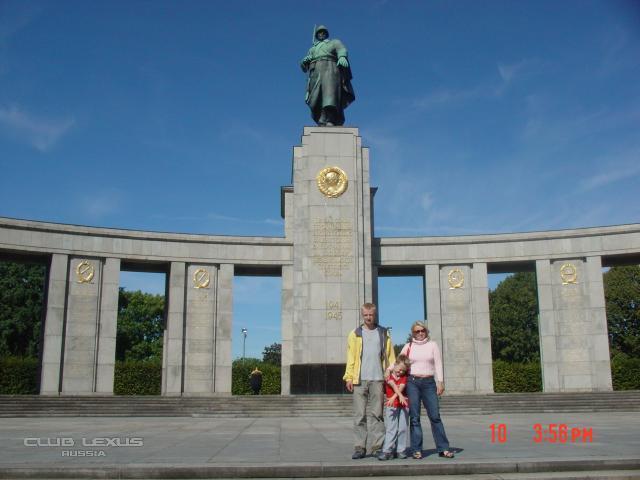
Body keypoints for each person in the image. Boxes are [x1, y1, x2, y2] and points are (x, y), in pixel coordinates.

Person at [343, 303, 396, 459]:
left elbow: (390, 356)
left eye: (370, 315)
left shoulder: (383, 333)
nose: (368, 317)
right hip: (359, 380)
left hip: (378, 379)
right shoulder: (355, 334)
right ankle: (360, 447)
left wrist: (390, 374)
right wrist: (349, 377)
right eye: (365, 315)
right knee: (359, 415)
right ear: (362, 315)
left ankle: (377, 447)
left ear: (375, 315)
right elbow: (351, 357)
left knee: (377, 414)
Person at [400, 321, 455, 459]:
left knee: (435, 416)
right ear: (413, 333)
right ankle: (416, 449)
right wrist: (389, 372)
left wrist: (440, 381)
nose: (420, 333)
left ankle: (443, 448)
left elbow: (438, 364)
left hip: (429, 383)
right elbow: (399, 362)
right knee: (415, 417)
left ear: (426, 331)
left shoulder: (432, 345)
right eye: (417, 331)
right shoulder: (408, 346)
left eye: (422, 330)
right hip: (412, 382)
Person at [300, 25, 355, 126]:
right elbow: (304, 68)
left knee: (329, 95)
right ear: (316, 35)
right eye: (319, 32)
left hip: (330, 69)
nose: (321, 34)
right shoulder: (312, 49)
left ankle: (329, 119)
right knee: (316, 98)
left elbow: (342, 49)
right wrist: (304, 62)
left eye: (323, 32)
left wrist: (342, 56)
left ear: (326, 34)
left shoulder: (333, 42)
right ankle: (321, 117)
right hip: (315, 72)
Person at [378, 354, 412, 461]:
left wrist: (396, 396)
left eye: (403, 371)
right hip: (391, 406)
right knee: (391, 428)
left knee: (402, 428)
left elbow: (401, 387)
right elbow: (392, 385)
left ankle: (400, 450)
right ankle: (387, 450)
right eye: (399, 369)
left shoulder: (404, 377)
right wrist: (398, 396)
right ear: (395, 364)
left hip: (403, 405)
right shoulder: (388, 376)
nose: (400, 372)